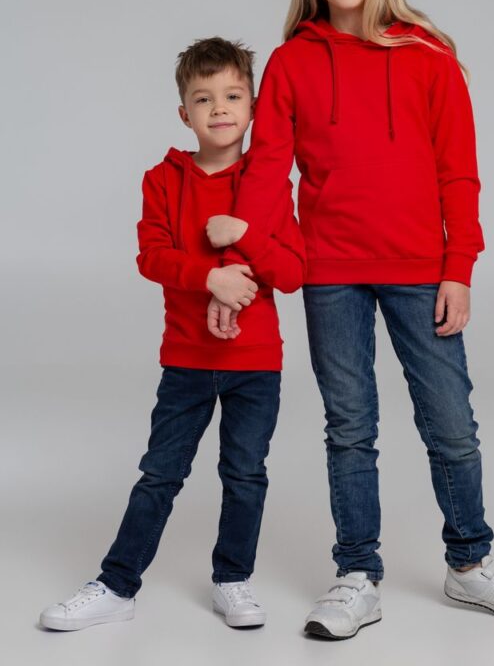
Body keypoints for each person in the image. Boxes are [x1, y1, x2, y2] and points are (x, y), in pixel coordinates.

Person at [214, 0, 494, 638]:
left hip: (419, 266)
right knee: (350, 426)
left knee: (451, 422)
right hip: (330, 270)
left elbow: (458, 172)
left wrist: (459, 266)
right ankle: (357, 575)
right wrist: (240, 267)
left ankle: (469, 562)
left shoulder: (429, 55)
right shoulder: (293, 63)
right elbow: (265, 176)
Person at [39, 37, 306, 632]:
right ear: (185, 113)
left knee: (245, 475)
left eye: (233, 96)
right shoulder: (163, 179)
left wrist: (246, 239)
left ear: (253, 106)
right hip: (186, 359)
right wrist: (212, 278)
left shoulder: (268, 185)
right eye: (204, 98)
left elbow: (292, 273)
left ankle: (232, 580)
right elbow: (151, 256)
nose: (219, 108)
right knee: (161, 473)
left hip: (255, 363)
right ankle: (116, 585)